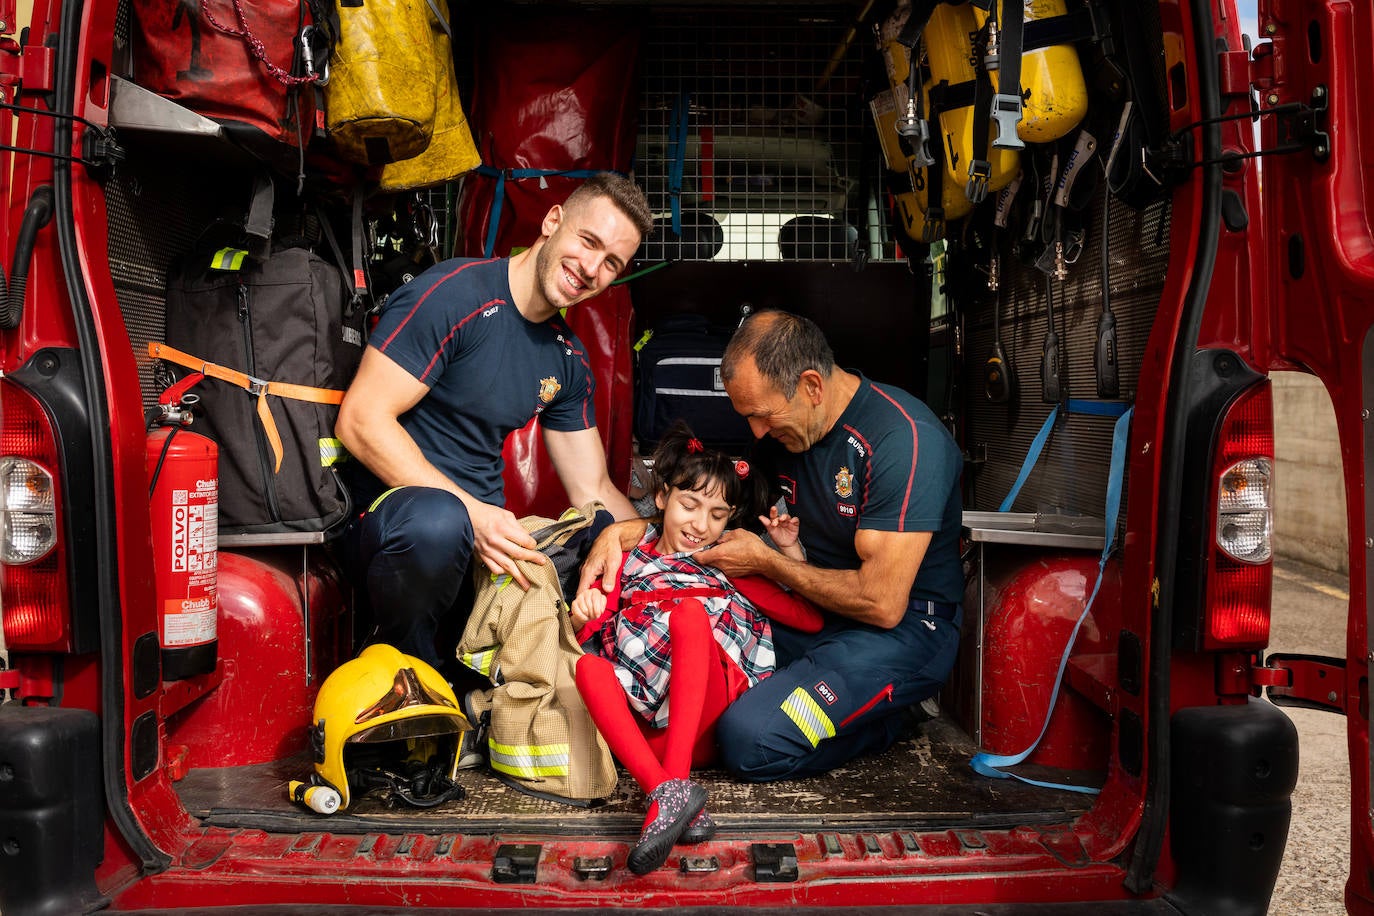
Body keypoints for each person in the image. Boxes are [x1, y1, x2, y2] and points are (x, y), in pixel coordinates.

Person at [579, 309, 963, 782]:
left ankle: (890, 721)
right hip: (809, 611)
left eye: (761, 416)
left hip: (898, 631)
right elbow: (712, 507)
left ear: (811, 387)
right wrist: (633, 530)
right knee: (688, 663)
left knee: (747, 740)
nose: (755, 433)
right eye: (748, 418)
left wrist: (768, 562)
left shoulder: (902, 439)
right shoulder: (784, 433)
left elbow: (881, 603)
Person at [335, 173, 652, 675]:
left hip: (482, 542)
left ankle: (494, 691)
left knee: (594, 541)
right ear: (553, 221)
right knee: (440, 523)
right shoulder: (455, 295)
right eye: (588, 241)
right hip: (394, 524)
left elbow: (592, 488)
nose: (591, 268)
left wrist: (662, 540)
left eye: (612, 262)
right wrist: (474, 515)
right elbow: (360, 422)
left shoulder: (566, 358)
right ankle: (408, 676)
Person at [570, 422, 821, 874]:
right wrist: (582, 613)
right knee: (588, 668)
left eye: (718, 514)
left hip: (707, 722)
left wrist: (788, 555)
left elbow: (809, 618)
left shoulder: (730, 566)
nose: (700, 524)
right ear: (662, 498)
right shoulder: (625, 564)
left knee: (688, 614)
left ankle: (676, 785)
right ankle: (668, 794)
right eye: (690, 505)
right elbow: (584, 633)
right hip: (646, 738)